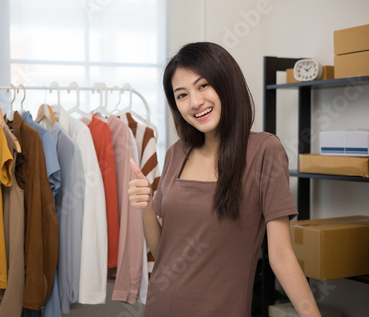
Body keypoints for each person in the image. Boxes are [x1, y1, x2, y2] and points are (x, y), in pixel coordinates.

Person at [128, 42, 321, 317]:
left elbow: (281, 257)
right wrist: (146, 205)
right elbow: (163, 253)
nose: (195, 102)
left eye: (203, 85)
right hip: (161, 307)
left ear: (227, 83)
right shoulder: (176, 153)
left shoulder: (264, 151)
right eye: (181, 95)